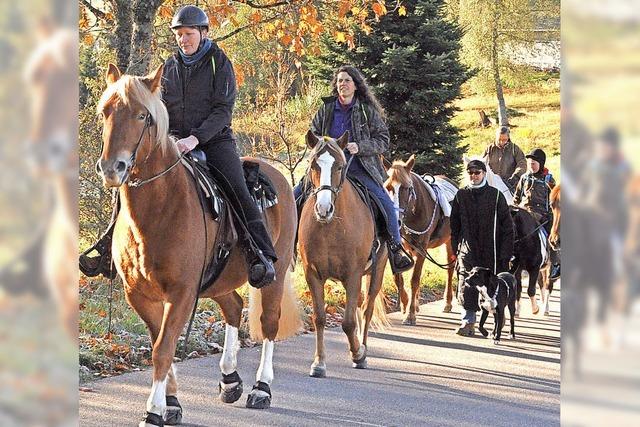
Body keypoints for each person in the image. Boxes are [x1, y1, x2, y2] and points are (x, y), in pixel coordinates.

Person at [80, 5, 277, 288]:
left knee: (236, 186)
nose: (184, 39)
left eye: (189, 34)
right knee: (128, 180)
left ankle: (260, 254)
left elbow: (223, 110)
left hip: (214, 140)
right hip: (174, 140)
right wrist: (170, 138)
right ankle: (108, 247)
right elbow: (159, 108)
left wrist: (195, 139)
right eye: (179, 35)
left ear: (203, 33)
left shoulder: (219, 63)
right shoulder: (169, 67)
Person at [294, 65, 413, 273]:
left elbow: (383, 139)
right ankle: (289, 248)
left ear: (356, 85)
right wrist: (324, 144)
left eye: (347, 80)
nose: (343, 84)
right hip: (327, 169)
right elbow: (312, 134)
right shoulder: (327, 108)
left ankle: (396, 250)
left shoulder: (367, 111)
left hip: (360, 168)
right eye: (339, 81)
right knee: (294, 195)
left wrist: (360, 146)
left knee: (384, 201)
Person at [450, 159, 514, 336]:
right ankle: (468, 322)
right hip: (468, 249)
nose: (473, 176)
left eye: (477, 172)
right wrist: (455, 248)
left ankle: (498, 321)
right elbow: (454, 225)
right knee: (466, 283)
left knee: (492, 288)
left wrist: (506, 254)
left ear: (484, 174)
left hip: (491, 250)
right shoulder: (461, 195)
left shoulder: (496, 196)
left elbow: (508, 227)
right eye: (470, 173)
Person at [513, 148, 559, 279]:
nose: (531, 166)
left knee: (552, 233)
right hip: (524, 210)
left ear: (541, 164)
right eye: (529, 164)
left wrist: (550, 214)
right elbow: (517, 197)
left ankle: (555, 263)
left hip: (541, 214)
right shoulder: (524, 177)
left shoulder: (549, 179)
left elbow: (554, 200)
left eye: (534, 164)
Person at [483, 126, 527, 192]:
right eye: (499, 139)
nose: (501, 142)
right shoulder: (489, 149)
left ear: (508, 137)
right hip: (492, 184)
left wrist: (515, 177)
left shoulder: (514, 149)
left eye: (504, 140)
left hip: (509, 185)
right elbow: (482, 164)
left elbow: (522, 164)